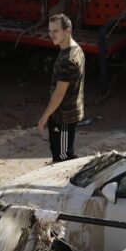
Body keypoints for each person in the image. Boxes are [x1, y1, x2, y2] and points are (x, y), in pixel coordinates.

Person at [37, 13, 85, 163]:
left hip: (64, 116)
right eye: (50, 31)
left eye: (55, 31)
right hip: (64, 113)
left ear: (68, 31)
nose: (51, 35)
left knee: (64, 158)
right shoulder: (74, 48)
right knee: (59, 153)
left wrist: (45, 116)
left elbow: (59, 93)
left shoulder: (68, 60)